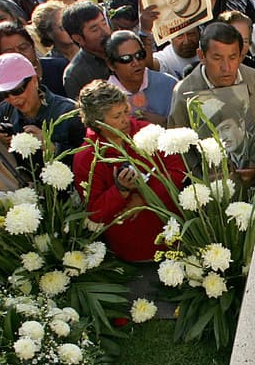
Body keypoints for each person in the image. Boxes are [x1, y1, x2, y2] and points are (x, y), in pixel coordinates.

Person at [71, 79, 186, 261]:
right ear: (98, 123)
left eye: (126, 110)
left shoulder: (147, 132)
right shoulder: (87, 158)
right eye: (117, 117)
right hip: (133, 250)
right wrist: (121, 192)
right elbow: (94, 212)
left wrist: (144, 197)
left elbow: (178, 170)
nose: (126, 120)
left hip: (176, 237)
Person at [168, 22, 255, 177]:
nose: (226, 67)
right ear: (201, 56)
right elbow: (178, 150)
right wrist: (201, 177)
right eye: (217, 58)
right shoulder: (184, 93)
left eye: (232, 57)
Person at [0, 53, 84, 158]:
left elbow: (91, 159)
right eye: (4, 94)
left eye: (16, 90)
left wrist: (52, 148)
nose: (12, 98)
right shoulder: (4, 111)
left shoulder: (70, 113)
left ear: (34, 80)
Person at [105, 29, 174, 124]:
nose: (136, 63)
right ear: (111, 65)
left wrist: (166, 123)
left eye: (139, 55)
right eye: (126, 59)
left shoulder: (170, 84)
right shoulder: (104, 98)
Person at [61, 0, 114, 98]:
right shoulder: (75, 75)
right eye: (95, 29)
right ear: (78, 39)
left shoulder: (123, 47)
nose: (105, 32)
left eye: (104, 24)